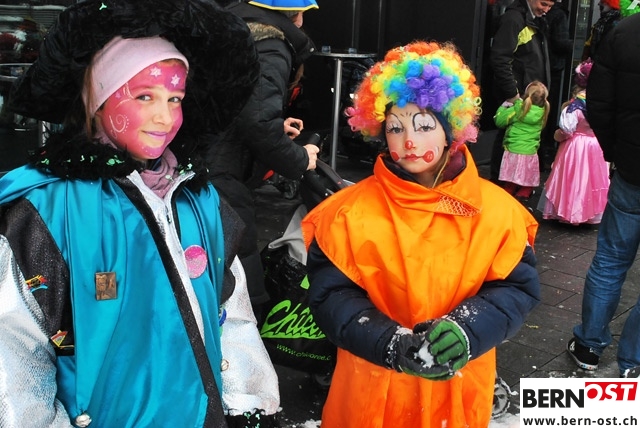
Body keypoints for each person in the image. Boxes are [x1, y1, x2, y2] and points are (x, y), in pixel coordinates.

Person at [0, 0, 282, 426]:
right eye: (144, 96)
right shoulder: (45, 214)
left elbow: (230, 312)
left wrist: (249, 403)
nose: (164, 117)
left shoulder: (199, 200)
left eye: (175, 98)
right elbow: (15, 352)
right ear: (97, 101)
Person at [301, 41, 541, 427]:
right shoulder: (346, 213)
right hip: (372, 391)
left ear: (451, 131)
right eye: (395, 128)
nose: (409, 141)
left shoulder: (498, 213)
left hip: (457, 393)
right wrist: (388, 341)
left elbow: (515, 288)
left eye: (424, 125)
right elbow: (331, 295)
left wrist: (468, 330)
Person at [206, 0, 321, 319]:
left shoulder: (230, 28)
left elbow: (233, 106)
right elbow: (256, 122)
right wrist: (301, 158)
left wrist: (274, 125)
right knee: (239, 278)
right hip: (221, 175)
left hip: (199, 165)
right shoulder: (270, 43)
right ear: (294, 14)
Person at [567, 11, 640, 379]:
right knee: (610, 260)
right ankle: (633, 360)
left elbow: (598, 100)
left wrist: (615, 151)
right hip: (629, 166)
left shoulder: (625, 31)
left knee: (611, 260)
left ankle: (589, 347)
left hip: (632, 169)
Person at [489, 0, 556, 182]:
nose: (546, 10)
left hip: (526, 94)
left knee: (520, 141)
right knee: (508, 141)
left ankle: (514, 184)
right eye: (544, 3)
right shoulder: (514, 19)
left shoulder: (531, 18)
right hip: (517, 95)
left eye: (550, 6)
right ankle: (501, 185)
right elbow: (500, 59)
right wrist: (512, 94)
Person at [538, 60, 610, 225]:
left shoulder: (574, 106)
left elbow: (566, 130)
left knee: (573, 178)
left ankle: (570, 212)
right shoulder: (602, 103)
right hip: (595, 145)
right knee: (591, 179)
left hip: (576, 146)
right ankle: (588, 213)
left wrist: (557, 136)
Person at [494, 80, 550, 201]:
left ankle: (510, 187)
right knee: (527, 172)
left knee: (511, 172)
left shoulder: (518, 109)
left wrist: (503, 107)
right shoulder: (543, 112)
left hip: (513, 148)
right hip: (530, 151)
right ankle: (525, 190)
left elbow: (499, 121)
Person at [542, 0, 573, 170]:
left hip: (545, 65)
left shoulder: (547, 13)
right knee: (549, 109)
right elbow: (560, 42)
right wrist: (574, 45)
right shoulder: (559, 14)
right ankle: (545, 152)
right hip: (553, 66)